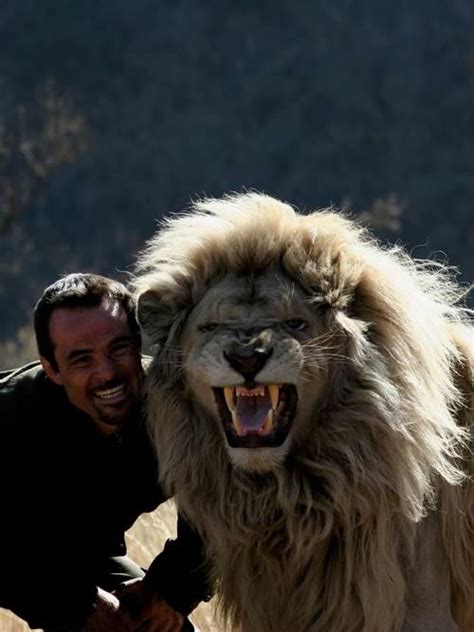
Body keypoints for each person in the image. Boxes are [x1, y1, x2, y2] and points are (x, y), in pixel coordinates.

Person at [0, 273, 211, 631]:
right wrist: (73, 602)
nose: (107, 373)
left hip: (89, 553)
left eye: (118, 349)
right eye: (81, 359)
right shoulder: (10, 416)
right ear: (51, 368)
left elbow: (223, 507)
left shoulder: (182, 412)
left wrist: (171, 589)